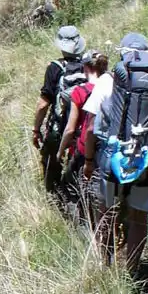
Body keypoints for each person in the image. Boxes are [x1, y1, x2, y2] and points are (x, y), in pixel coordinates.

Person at [82, 33, 148, 286]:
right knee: (138, 218)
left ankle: (105, 268)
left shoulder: (108, 81)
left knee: (105, 214)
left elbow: (89, 128)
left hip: (110, 160)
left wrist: (89, 160)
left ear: (124, 56)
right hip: (147, 163)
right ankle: (132, 272)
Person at [33, 26, 89, 197]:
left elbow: (43, 104)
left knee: (51, 163)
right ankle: (76, 196)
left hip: (59, 129)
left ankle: (54, 199)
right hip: (83, 129)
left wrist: (36, 129)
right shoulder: (89, 67)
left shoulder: (55, 68)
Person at [56, 49, 110, 219]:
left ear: (86, 68)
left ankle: (80, 226)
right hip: (105, 148)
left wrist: (60, 151)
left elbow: (70, 129)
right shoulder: (113, 87)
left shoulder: (79, 92)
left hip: (83, 148)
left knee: (69, 187)